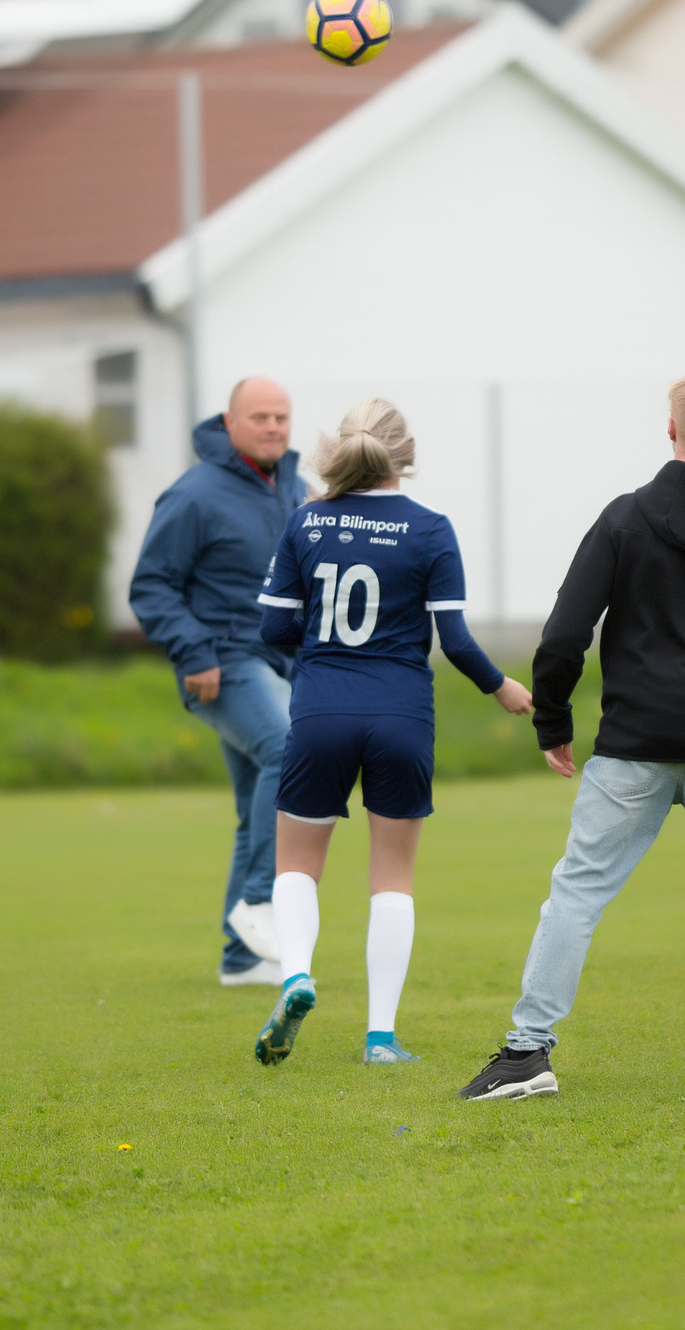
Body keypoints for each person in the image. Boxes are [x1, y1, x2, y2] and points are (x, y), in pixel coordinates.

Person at [458, 370, 685, 1099]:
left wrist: (553, 719)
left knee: (576, 894)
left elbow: (566, 632)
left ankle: (526, 1053)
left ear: (671, 428)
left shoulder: (625, 519)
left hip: (633, 743)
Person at [249, 399, 533, 1067]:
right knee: (393, 877)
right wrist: (503, 686)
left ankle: (295, 975)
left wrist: (320, 647)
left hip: (320, 709)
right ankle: (380, 1038)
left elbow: (271, 629)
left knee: (296, 865)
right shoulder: (431, 528)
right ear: (404, 454)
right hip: (402, 714)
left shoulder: (306, 520)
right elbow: (456, 641)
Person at [127, 376, 307, 986]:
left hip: (277, 662)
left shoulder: (294, 488)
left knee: (253, 805)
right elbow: (151, 584)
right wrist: (193, 650)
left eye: (282, 417)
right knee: (289, 748)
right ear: (228, 424)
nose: (274, 428)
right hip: (221, 664)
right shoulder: (194, 494)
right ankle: (259, 903)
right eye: (260, 417)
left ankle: (240, 958)